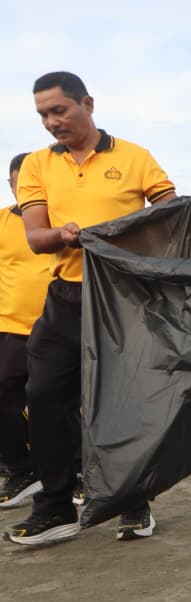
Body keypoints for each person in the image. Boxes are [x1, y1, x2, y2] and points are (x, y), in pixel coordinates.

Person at [5, 72, 176, 545]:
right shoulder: (38, 164)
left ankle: (133, 503)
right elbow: (36, 237)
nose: (51, 122)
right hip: (65, 297)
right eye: (43, 115)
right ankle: (56, 507)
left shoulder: (135, 157)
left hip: (124, 300)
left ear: (88, 104)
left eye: (58, 110)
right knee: (43, 396)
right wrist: (62, 235)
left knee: (119, 406)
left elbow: (171, 217)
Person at [0, 153, 52, 509]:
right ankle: (22, 470)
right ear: (11, 185)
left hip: (58, 325)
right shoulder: (3, 221)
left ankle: (78, 471)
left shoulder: (61, 219)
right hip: (11, 327)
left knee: (62, 400)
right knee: (4, 393)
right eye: (21, 184)